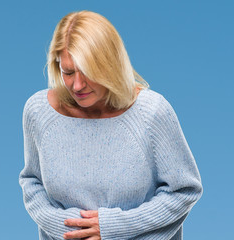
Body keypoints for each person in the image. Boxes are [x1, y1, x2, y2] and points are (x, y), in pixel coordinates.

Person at [19, 10, 202, 240]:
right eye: (68, 72)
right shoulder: (39, 112)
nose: (76, 86)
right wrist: (69, 229)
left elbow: (184, 191)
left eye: (87, 73)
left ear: (109, 65)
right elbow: (32, 183)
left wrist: (115, 227)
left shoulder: (152, 113)